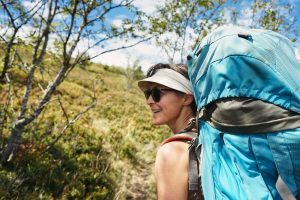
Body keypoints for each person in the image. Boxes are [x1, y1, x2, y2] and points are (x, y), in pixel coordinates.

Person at [138, 63, 198, 200]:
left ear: (186, 98)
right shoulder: (207, 138)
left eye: (156, 93)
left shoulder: (172, 151)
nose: (149, 101)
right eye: (148, 94)